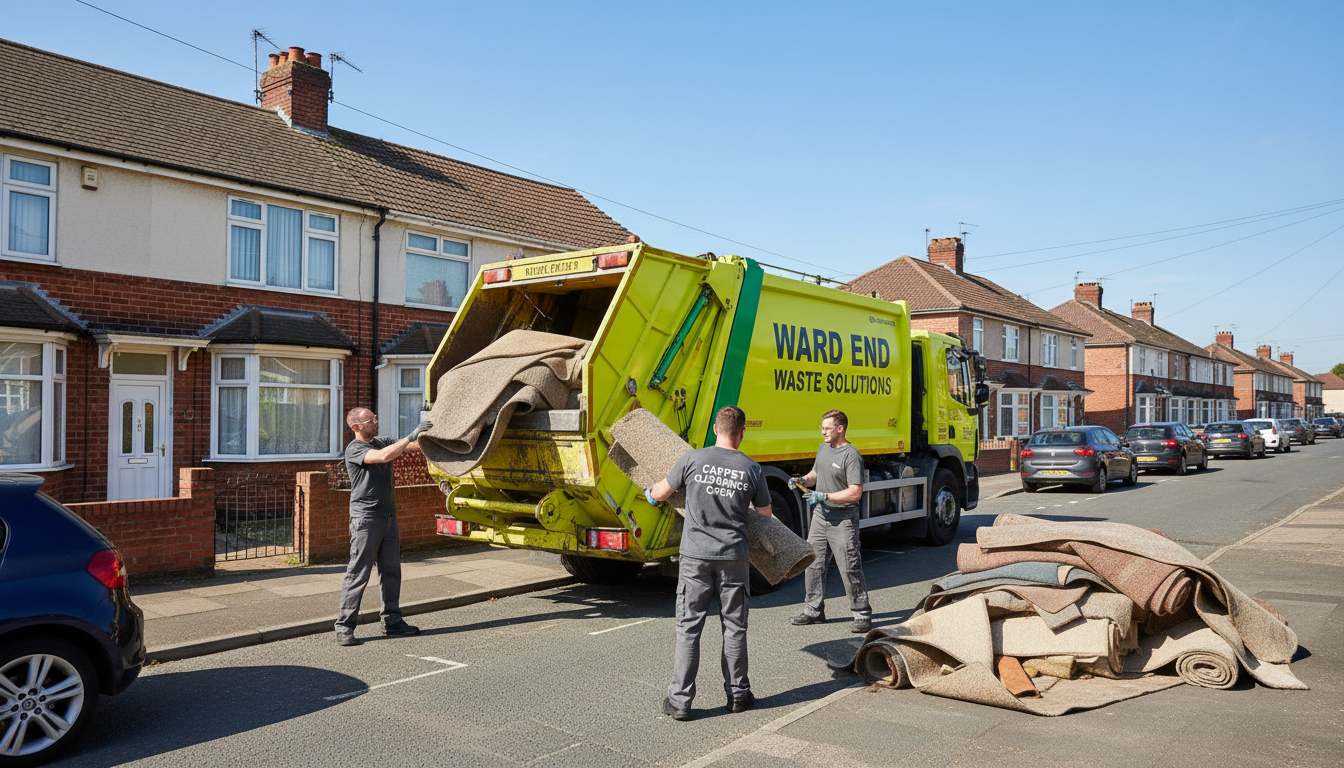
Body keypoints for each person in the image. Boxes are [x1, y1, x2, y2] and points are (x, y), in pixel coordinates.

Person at [646, 405, 772, 721]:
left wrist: (650, 494)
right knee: (734, 628)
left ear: (716, 428)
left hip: (695, 558)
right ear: (742, 433)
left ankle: (680, 703)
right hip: (734, 558)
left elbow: (661, 493)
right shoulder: (752, 468)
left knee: (689, 629)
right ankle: (738, 695)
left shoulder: (693, 459)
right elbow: (766, 516)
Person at [334, 407, 434, 646]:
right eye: (371, 420)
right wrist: (411, 436)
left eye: (376, 417)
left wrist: (425, 429)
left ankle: (392, 622)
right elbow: (383, 457)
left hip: (388, 518)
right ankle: (344, 626)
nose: (376, 421)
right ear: (356, 427)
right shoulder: (356, 449)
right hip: (366, 520)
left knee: (391, 571)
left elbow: (410, 445)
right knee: (358, 572)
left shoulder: (380, 441)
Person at [790, 409, 871, 633]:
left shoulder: (851, 455)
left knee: (849, 566)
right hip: (820, 517)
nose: (823, 431)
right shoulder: (823, 448)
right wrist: (803, 479)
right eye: (822, 427)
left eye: (827, 428)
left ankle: (861, 612)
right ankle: (813, 611)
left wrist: (824, 496)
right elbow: (816, 472)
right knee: (813, 564)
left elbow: (855, 493)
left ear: (840, 428)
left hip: (843, 519)